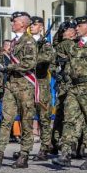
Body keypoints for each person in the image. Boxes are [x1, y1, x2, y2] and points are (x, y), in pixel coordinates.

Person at [51, 16, 87, 170]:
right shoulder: (73, 46)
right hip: (73, 88)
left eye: (80, 26)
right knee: (69, 120)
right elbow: (58, 46)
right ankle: (66, 154)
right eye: (76, 26)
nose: (76, 28)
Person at [0, 11, 39, 169]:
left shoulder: (29, 42)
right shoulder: (13, 42)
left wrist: (10, 66)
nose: (12, 23)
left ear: (23, 24)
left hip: (24, 85)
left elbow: (29, 64)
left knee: (26, 121)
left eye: (15, 21)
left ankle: (24, 155)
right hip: (11, 84)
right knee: (6, 119)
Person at [30, 16, 54, 160]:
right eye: (31, 25)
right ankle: (25, 149)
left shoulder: (45, 44)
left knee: (44, 117)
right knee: (27, 117)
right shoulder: (26, 42)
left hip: (41, 83)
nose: (32, 27)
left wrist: (33, 56)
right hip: (27, 83)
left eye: (35, 25)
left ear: (41, 28)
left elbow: (48, 58)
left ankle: (45, 147)